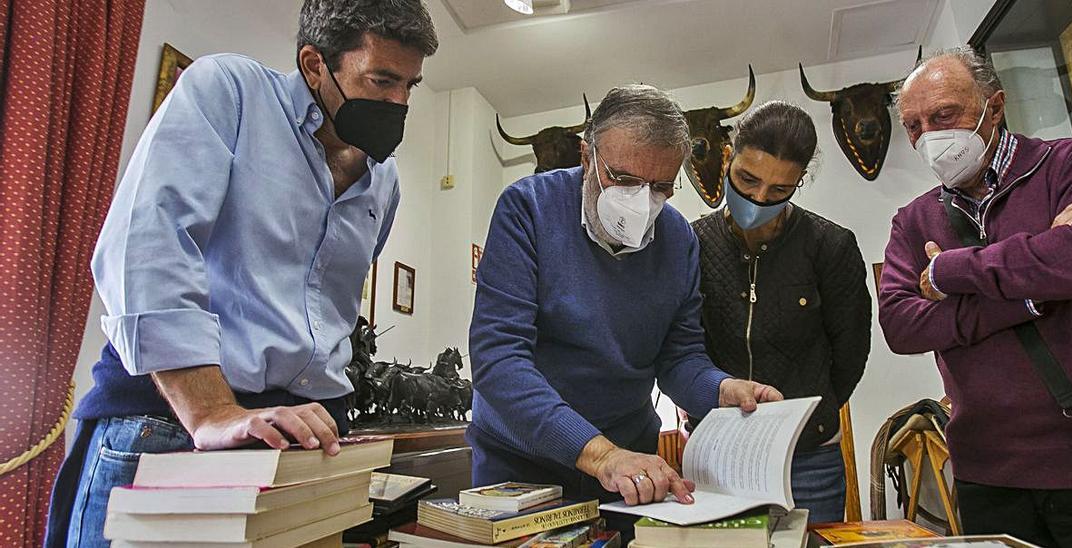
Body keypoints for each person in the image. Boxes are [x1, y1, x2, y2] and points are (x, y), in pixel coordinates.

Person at [44, 2, 437, 546]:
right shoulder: (227, 92)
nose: (399, 103)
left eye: (411, 85)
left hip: (299, 443)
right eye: (382, 79)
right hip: (174, 423)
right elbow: (145, 245)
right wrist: (210, 410)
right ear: (315, 64)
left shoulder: (384, 181)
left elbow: (332, 311)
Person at [879, 46, 1072, 547]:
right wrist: (1034, 290)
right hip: (988, 471)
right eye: (914, 125)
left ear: (995, 105)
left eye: (945, 115)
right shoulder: (913, 221)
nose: (930, 136)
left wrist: (950, 271)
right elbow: (902, 325)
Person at [468, 84, 783, 521]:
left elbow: (679, 357)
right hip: (522, 459)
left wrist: (720, 389)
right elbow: (498, 360)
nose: (639, 200)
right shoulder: (528, 209)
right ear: (586, 156)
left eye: (659, 187)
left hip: (629, 465)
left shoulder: (678, 239)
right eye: (623, 179)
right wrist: (600, 455)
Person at [691, 101, 871, 523]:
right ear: (728, 155)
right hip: (719, 452)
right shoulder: (692, 244)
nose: (757, 199)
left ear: (799, 181)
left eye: (778, 190)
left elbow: (850, 353)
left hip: (809, 457)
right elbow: (684, 346)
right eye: (747, 179)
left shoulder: (830, 246)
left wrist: (810, 414)